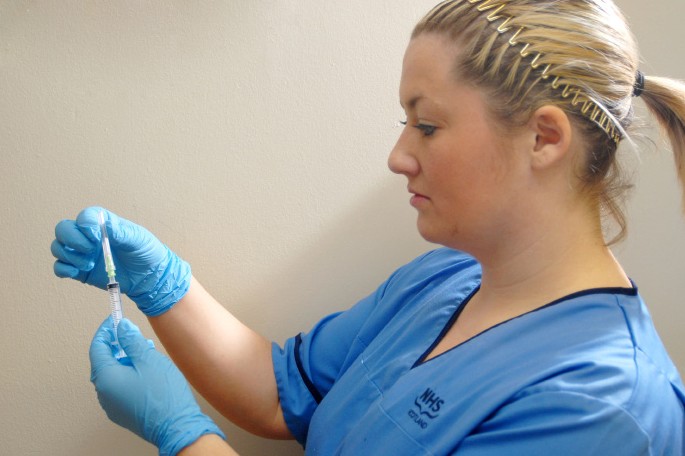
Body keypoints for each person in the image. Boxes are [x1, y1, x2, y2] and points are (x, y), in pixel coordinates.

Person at [51, 0, 685, 454]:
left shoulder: (604, 409)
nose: (399, 156)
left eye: (428, 125)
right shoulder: (450, 277)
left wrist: (184, 437)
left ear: (544, 137)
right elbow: (282, 394)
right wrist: (163, 282)